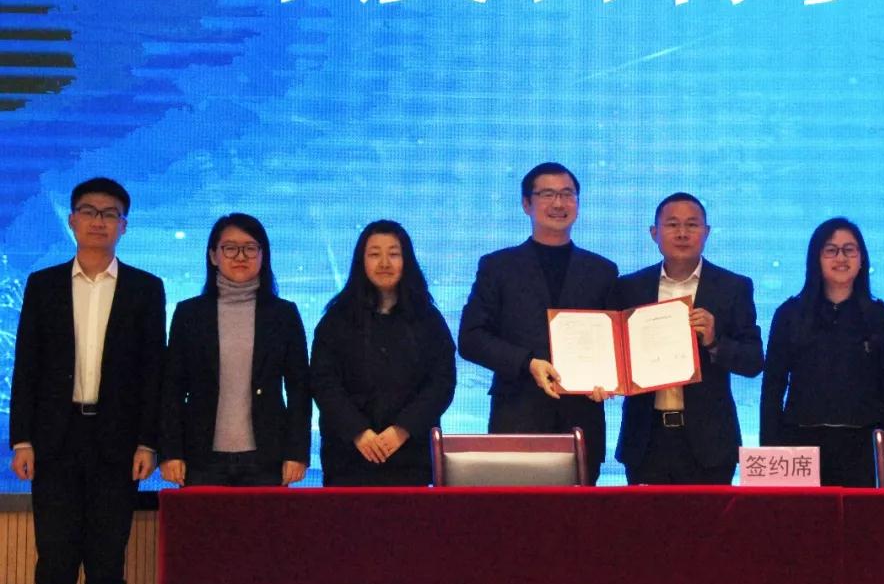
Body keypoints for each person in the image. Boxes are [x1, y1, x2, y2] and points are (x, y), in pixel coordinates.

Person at [9, 177, 165, 584]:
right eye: (90, 212)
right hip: (55, 440)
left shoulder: (146, 289)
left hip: (117, 442)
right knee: (55, 560)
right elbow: (27, 366)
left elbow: (153, 372)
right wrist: (22, 440)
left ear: (124, 226)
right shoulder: (43, 285)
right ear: (73, 220)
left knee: (107, 562)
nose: (99, 221)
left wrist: (147, 443)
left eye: (110, 214)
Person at [459, 163, 617, 484]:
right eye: (547, 194)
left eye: (567, 194)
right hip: (517, 418)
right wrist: (527, 363)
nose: (558, 203)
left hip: (582, 422)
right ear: (526, 204)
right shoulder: (498, 267)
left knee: (580, 515)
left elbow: (614, 342)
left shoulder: (602, 271)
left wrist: (610, 379)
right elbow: (471, 338)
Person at [614, 192, 763, 485]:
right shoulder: (629, 288)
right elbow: (614, 352)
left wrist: (714, 341)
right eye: (672, 225)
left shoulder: (733, 287)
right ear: (654, 233)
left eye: (692, 225)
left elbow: (753, 361)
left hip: (710, 443)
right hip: (646, 440)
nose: (682, 233)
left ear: (706, 232)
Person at [159, 213, 311, 487]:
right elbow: (172, 388)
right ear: (213, 256)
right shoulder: (189, 314)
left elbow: (299, 389)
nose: (240, 256)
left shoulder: (284, 314)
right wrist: (171, 452)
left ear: (263, 255)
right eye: (230, 248)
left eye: (250, 248)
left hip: (267, 457)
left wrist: (297, 453)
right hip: (201, 457)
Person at [760, 217, 884, 487]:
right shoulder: (790, 314)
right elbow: (772, 388)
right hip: (800, 445)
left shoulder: (880, 316)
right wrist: (770, 450)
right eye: (831, 250)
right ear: (816, 258)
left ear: (862, 259)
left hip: (863, 448)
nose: (841, 258)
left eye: (849, 250)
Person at [310, 220, 456, 486]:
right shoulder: (337, 319)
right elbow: (324, 383)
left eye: (394, 254)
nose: (385, 263)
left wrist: (402, 429)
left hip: (411, 456)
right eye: (375, 254)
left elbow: (441, 382)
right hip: (349, 457)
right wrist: (358, 432)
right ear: (361, 261)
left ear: (407, 260)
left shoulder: (428, 319)